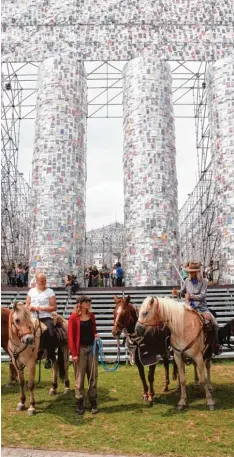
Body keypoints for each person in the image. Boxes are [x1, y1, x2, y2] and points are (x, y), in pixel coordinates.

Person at [172, 261, 221, 355]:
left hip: (202, 309)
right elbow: (183, 293)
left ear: (197, 272)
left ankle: (215, 345)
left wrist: (191, 296)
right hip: (189, 308)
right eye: (190, 272)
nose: (191, 273)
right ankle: (174, 346)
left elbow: (202, 296)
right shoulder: (186, 281)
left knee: (214, 322)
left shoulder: (204, 281)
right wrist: (177, 293)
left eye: (193, 272)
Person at [68, 295, 99, 415]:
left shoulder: (91, 316)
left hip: (92, 348)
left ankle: (93, 401)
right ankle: (80, 402)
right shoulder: (73, 317)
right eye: (86, 301)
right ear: (80, 303)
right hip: (79, 350)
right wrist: (74, 354)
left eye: (89, 301)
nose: (89, 303)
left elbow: (94, 330)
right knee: (79, 377)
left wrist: (96, 335)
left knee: (93, 375)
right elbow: (70, 337)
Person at [26, 272, 57, 368]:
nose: (43, 282)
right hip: (32, 317)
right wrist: (29, 307)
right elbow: (26, 304)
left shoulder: (50, 291)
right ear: (36, 281)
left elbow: (54, 307)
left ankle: (50, 357)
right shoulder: (31, 291)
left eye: (45, 281)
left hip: (46, 317)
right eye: (41, 281)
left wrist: (42, 308)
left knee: (51, 333)